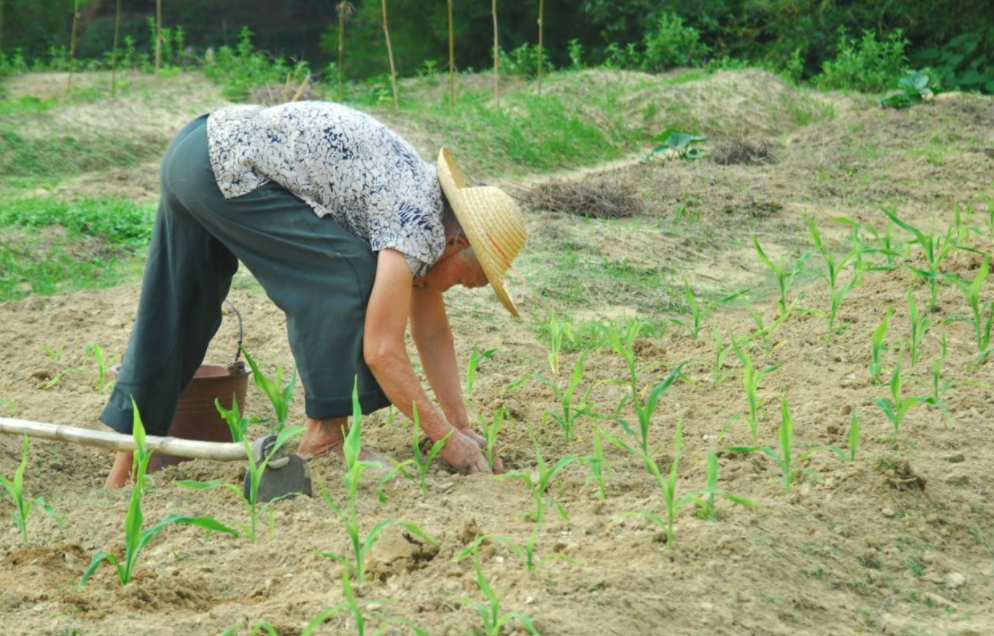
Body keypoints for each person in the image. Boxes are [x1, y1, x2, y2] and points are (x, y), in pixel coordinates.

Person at [101, 101, 526, 489]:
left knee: (177, 312)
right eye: (467, 281)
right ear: (455, 244)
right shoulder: (417, 224)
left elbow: (432, 331)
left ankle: (126, 470)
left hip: (196, 149)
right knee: (348, 275)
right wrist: (447, 441)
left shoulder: (421, 200)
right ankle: (326, 439)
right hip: (228, 167)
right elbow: (381, 350)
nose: (452, 289)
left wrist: (460, 424)